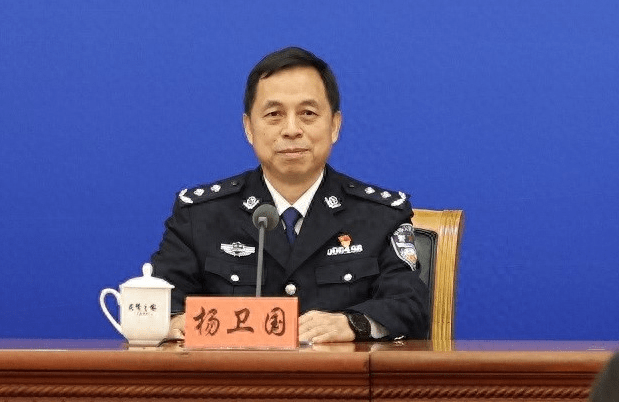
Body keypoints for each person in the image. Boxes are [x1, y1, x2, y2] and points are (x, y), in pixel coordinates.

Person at [151, 47, 429, 344]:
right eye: (274, 115)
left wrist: (354, 323)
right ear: (249, 128)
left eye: (308, 114)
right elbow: (159, 304)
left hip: (338, 374)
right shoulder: (199, 215)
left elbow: (410, 305)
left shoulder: (381, 215)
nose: (292, 130)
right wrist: (174, 322)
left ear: (335, 125)